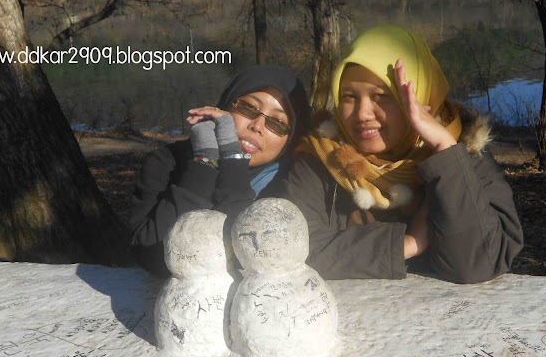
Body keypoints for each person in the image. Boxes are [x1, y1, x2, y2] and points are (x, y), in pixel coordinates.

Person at [280, 25, 523, 283]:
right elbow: (293, 252)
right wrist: (406, 244)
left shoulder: (466, 156)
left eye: (381, 96)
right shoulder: (321, 158)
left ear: (419, 97)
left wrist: (444, 148)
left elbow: (478, 263)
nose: (362, 113)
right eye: (349, 96)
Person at [130, 64, 310, 277]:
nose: (257, 126)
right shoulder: (166, 164)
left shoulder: (290, 185)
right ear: (226, 105)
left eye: (278, 123)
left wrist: (232, 160)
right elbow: (152, 257)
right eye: (249, 108)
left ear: (291, 139)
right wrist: (205, 161)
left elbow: (253, 261)